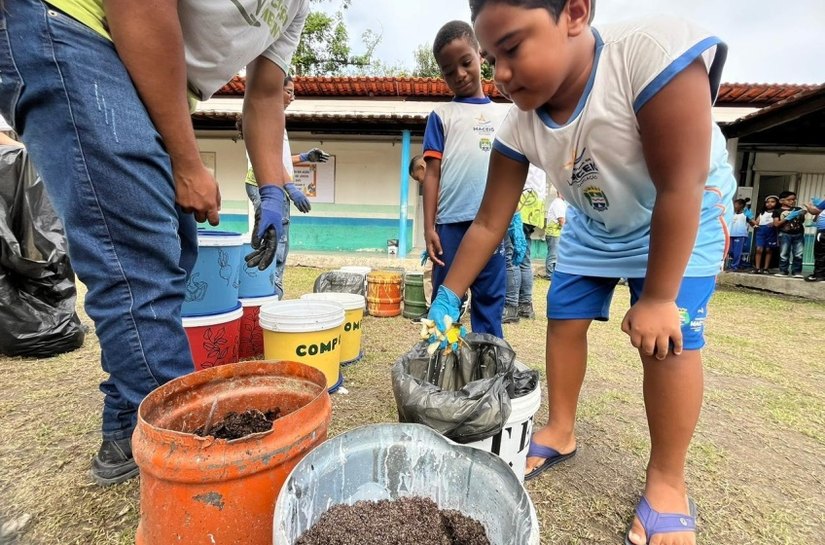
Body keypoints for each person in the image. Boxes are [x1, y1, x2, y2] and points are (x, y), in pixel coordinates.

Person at [426, 1, 736, 543]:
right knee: (564, 317)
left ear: (574, 12)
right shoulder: (519, 124)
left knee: (670, 341)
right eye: (492, 56)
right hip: (595, 223)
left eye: (513, 49)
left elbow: (679, 187)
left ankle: (667, 479)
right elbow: (489, 221)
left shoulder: (650, 54)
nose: (498, 74)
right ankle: (561, 429)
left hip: (682, 210)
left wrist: (660, 299)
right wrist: (450, 294)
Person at [0, 0, 309, 486]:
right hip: (80, 30)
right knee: (138, 265)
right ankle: (195, 466)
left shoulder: (297, 6)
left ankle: (127, 432)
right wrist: (187, 163)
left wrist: (272, 191)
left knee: (177, 249)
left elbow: (267, 95)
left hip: (149, 76)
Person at [422, 20, 510, 337]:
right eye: (448, 70)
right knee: (446, 305)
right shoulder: (441, 116)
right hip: (450, 226)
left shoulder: (506, 115)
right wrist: (429, 227)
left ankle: (488, 371)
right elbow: (431, 174)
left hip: (492, 226)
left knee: (489, 302)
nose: (459, 74)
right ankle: (443, 370)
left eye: (465, 62)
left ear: (480, 55)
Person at [239, 75, 329, 298]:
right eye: (289, 91)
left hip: (272, 186)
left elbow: (282, 159)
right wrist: (290, 187)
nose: (292, 97)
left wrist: (306, 157)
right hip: (266, 187)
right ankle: (269, 295)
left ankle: (272, 292)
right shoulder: (267, 117)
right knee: (274, 243)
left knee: (278, 243)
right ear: (274, 89)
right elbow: (272, 160)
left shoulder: (274, 118)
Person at [773, 191, 806, 278]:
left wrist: (802, 214)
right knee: (783, 254)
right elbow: (776, 224)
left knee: (798, 254)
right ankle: (783, 271)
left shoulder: (797, 209)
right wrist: (787, 218)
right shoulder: (777, 211)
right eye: (789, 200)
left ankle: (797, 272)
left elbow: (801, 221)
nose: (792, 201)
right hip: (784, 234)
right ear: (781, 201)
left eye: (794, 200)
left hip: (798, 234)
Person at [502, 212, 528, 323]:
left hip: (506, 217)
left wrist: (515, 218)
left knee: (510, 260)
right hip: (506, 217)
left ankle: (511, 307)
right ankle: (523, 304)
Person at [752, 195, 779, 274]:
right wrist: (750, 218)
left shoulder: (777, 212)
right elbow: (756, 223)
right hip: (761, 232)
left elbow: (777, 222)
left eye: (772, 202)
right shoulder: (761, 213)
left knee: (768, 250)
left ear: (776, 203)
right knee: (759, 249)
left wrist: (773, 223)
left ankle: (766, 268)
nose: (769, 203)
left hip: (771, 232)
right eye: (767, 202)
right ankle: (757, 268)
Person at [726, 198, 753, 271]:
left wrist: (750, 217)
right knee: (730, 251)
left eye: (736, 204)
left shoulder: (745, 214)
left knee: (737, 252)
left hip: (740, 235)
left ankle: (734, 266)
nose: (734, 206)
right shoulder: (732, 214)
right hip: (731, 235)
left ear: (741, 205)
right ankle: (743, 264)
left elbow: (752, 222)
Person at [545, 193, 567, 278]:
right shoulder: (558, 203)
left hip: (555, 232)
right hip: (554, 233)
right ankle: (550, 275)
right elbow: (561, 220)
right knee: (553, 255)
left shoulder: (560, 203)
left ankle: (552, 274)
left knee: (555, 254)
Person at [804, 197, 825, 282]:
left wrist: (807, 205)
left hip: (823, 231)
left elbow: (814, 211)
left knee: (821, 253)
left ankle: (819, 275)